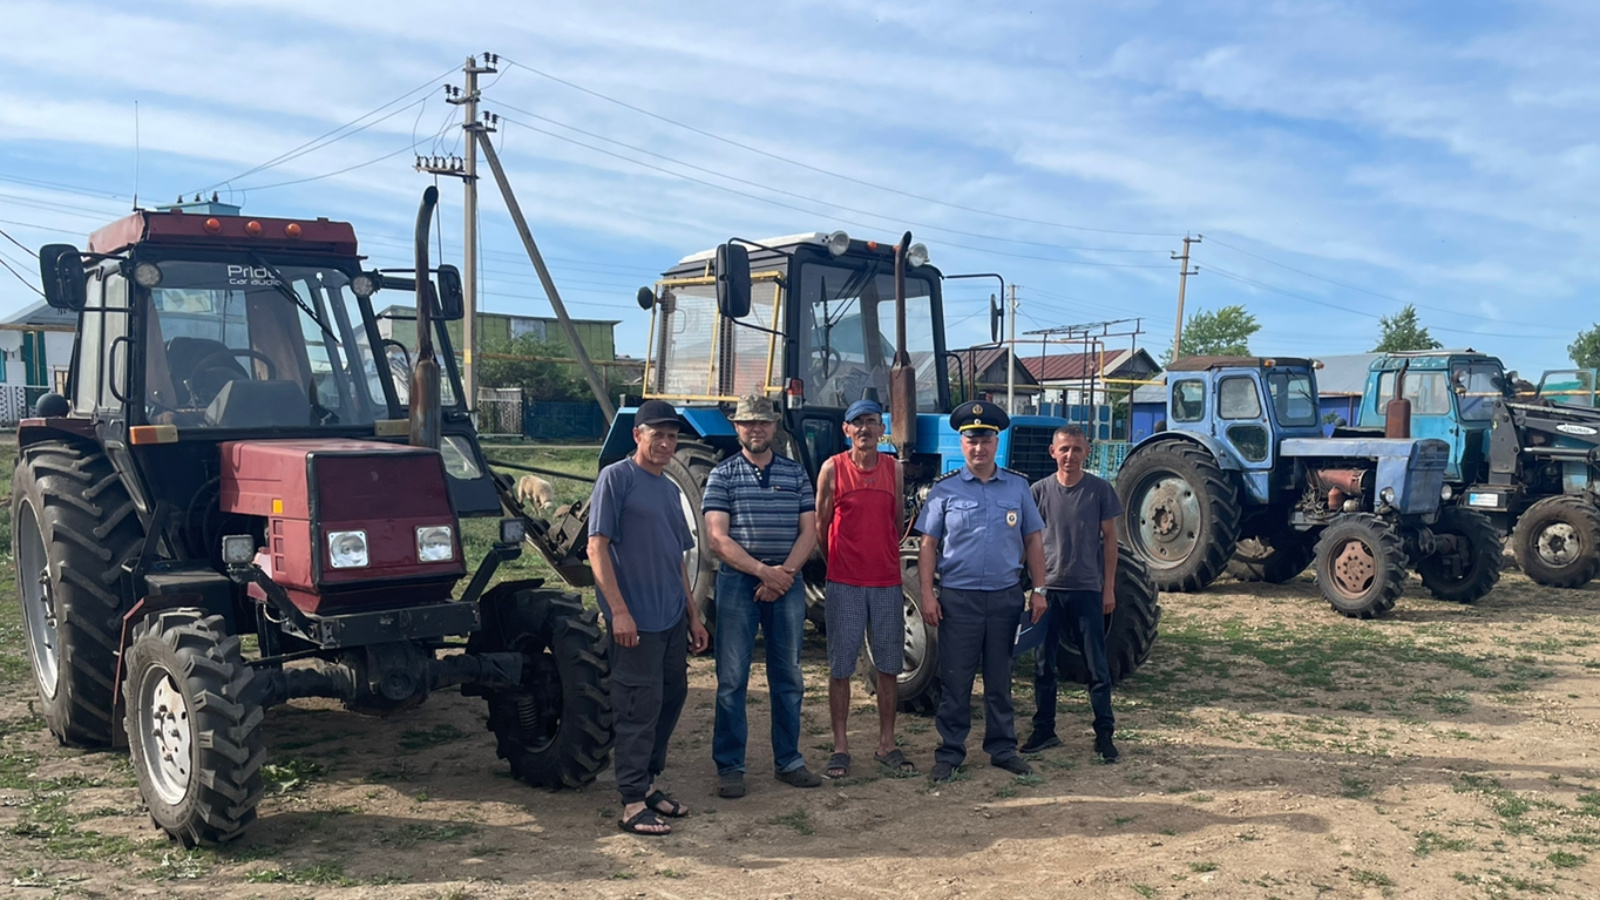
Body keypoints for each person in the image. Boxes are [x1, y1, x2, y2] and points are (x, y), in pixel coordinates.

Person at [588, 399, 711, 836]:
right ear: (637, 435)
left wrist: (694, 616)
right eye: (656, 434)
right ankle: (632, 801)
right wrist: (618, 611)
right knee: (636, 707)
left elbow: (678, 558)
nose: (665, 443)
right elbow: (596, 547)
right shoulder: (616, 479)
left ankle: (649, 781)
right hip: (634, 621)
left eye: (671, 436)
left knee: (669, 699)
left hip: (670, 618)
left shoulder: (667, 488)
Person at [916, 401, 1048, 784]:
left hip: (1005, 597)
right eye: (972, 440)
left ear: (996, 442)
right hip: (958, 599)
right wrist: (927, 593)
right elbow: (928, 546)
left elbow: (1034, 541)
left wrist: (1038, 590)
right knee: (956, 681)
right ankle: (950, 752)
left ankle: (1003, 748)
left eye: (986, 439)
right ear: (962, 443)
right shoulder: (944, 491)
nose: (979, 447)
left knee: (1000, 679)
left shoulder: (1018, 487)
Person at [703, 394, 823, 799]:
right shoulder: (722, 475)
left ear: (774, 427)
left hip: (785, 581)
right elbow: (718, 539)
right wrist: (763, 572)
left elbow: (811, 530)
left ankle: (788, 760)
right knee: (732, 678)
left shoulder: (795, 473)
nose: (756, 429)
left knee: (787, 675)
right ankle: (730, 766)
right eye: (747, 423)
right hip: (740, 583)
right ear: (736, 428)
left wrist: (784, 575)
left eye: (763, 423)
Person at [814, 398, 916, 779]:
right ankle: (840, 747)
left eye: (872, 422)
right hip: (845, 583)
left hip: (886, 582)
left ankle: (886, 743)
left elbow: (895, 521)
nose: (865, 430)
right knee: (841, 666)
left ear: (881, 428)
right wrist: (839, 564)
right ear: (846, 430)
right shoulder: (833, 469)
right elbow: (822, 525)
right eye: (857, 423)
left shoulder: (893, 469)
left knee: (888, 665)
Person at [1021, 425, 1125, 762]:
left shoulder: (1099, 491)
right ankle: (1044, 729)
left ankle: (1104, 734)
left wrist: (1107, 587)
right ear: (1053, 452)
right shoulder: (1037, 492)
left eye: (1077, 449)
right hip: (1048, 592)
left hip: (1086, 591)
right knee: (1043, 667)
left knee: (1097, 668)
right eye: (1064, 449)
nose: (1070, 456)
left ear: (1087, 453)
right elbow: (1028, 541)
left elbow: (1110, 540)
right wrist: (1032, 587)